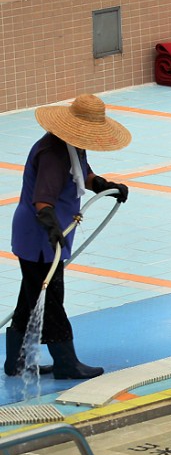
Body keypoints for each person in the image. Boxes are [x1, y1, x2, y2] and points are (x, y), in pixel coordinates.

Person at [6, 94, 130, 380]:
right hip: (40, 236)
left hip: (48, 234)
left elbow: (82, 173)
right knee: (50, 299)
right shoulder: (52, 153)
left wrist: (103, 185)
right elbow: (42, 202)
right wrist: (52, 231)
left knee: (30, 298)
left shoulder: (70, 145)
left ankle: (17, 362)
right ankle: (65, 362)